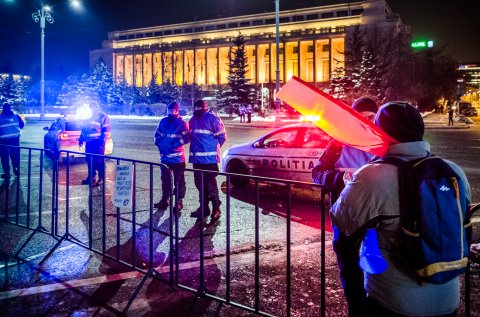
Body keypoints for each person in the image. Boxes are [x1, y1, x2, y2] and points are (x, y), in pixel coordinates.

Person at [330, 102, 471, 317]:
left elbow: (342, 226)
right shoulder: (453, 172)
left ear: (382, 133)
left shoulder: (372, 176)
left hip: (392, 302)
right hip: (448, 301)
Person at [311, 97, 378, 316]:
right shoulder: (338, 144)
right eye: (362, 117)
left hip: (378, 218)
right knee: (350, 270)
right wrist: (339, 178)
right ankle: (356, 309)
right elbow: (317, 173)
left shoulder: (384, 145)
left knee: (378, 269)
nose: (367, 121)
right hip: (346, 218)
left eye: (372, 117)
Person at [189, 99, 227, 221]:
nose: (197, 111)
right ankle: (204, 209)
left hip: (209, 160)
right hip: (197, 160)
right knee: (200, 185)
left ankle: (216, 209)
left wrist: (214, 150)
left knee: (211, 186)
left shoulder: (212, 118)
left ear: (204, 108)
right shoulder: (193, 120)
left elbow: (222, 137)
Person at [153, 102, 189, 211]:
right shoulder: (163, 121)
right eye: (169, 111)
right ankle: (165, 200)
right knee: (165, 180)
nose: (170, 113)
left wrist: (175, 144)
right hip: (165, 158)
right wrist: (157, 142)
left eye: (173, 111)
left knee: (179, 181)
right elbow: (157, 134)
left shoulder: (182, 123)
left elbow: (187, 137)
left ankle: (178, 201)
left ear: (177, 111)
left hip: (177, 159)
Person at [78, 102, 111, 186]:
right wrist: (81, 139)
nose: (91, 108)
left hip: (98, 143)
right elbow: (84, 129)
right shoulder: (88, 117)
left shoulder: (103, 116)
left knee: (99, 161)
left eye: (92, 107)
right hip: (89, 143)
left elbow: (106, 130)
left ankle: (101, 178)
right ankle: (91, 178)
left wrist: (102, 142)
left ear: (96, 107)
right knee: (89, 160)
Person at [0, 102, 25, 179]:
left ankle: (7, 174)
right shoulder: (16, 116)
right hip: (15, 140)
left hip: (3, 141)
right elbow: (22, 125)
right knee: (15, 156)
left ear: (3, 109)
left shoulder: (0, 118)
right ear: (10, 108)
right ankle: (16, 169)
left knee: (5, 158)